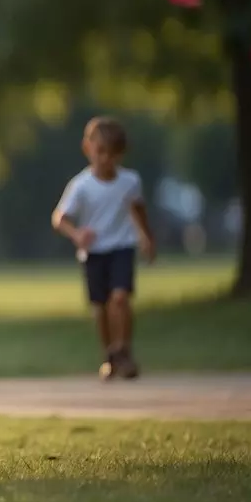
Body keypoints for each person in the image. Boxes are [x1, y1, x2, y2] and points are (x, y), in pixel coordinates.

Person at [52, 116, 155, 380]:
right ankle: (109, 354)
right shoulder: (81, 185)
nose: (106, 159)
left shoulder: (130, 181)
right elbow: (60, 218)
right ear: (88, 148)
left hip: (121, 246)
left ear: (121, 154)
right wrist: (77, 234)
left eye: (113, 154)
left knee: (120, 298)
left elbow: (138, 209)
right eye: (101, 152)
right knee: (100, 306)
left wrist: (146, 237)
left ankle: (124, 350)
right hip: (94, 252)